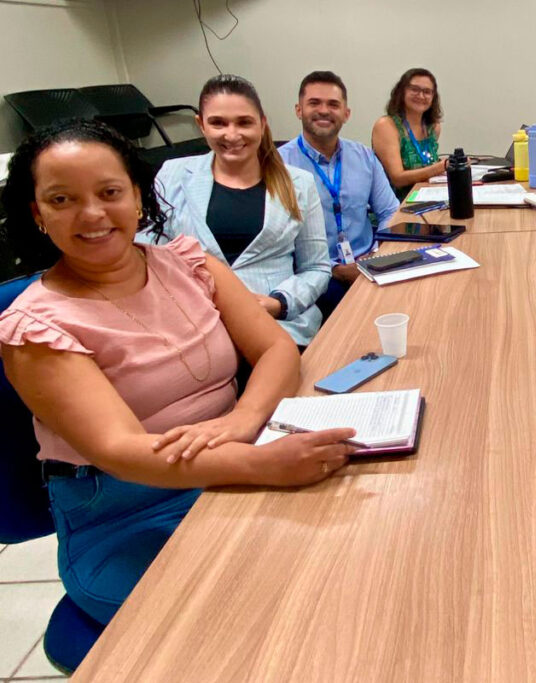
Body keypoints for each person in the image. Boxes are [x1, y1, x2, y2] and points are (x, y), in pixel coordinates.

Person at [0, 120, 358, 625]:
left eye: (109, 192)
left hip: (237, 465)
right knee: (270, 613)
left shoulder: (191, 263)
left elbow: (277, 348)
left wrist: (243, 422)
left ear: (138, 196)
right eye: (62, 200)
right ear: (38, 214)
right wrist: (259, 464)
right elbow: (120, 450)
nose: (93, 213)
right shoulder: (35, 328)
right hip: (129, 513)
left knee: (347, 563)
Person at [155, 75, 331, 347]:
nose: (232, 134)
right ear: (201, 125)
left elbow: (316, 267)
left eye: (244, 122)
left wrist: (279, 303)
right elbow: (149, 257)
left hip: (278, 328)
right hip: (196, 330)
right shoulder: (172, 175)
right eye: (218, 123)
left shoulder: (299, 183)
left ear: (262, 123)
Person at [279, 70, 399, 307]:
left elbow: (389, 210)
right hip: (314, 272)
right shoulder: (278, 165)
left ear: (346, 114)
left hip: (370, 260)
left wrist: (378, 254)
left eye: (333, 104)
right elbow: (279, 238)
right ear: (299, 110)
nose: (324, 110)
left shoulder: (364, 156)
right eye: (314, 103)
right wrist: (336, 269)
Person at [371, 68, 446, 199]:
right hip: (397, 204)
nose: (421, 96)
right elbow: (397, 178)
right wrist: (439, 168)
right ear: (402, 92)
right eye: (414, 89)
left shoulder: (433, 127)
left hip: (428, 197)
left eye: (427, 92)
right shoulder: (386, 126)